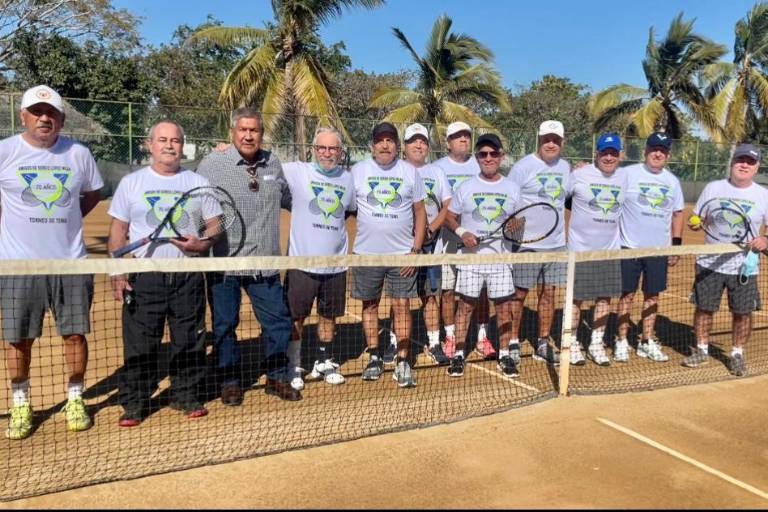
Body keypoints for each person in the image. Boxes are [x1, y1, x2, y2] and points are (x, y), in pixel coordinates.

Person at [1, 85, 103, 440]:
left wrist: (68, 218)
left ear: (61, 118)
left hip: (71, 264)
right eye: (37, 112)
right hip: (18, 267)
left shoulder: (78, 154)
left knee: (74, 334)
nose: (44, 118)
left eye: (52, 113)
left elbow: (93, 194)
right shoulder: (5, 152)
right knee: (18, 339)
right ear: (23, 116)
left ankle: (75, 398)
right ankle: (20, 402)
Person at [108, 120, 215, 426]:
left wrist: (202, 243)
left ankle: (186, 394)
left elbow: (216, 226)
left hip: (187, 276)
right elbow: (118, 230)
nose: (170, 145)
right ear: (150, 144)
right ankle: (135, 402)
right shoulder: (132, 183)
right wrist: (118, 271)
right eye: (163, 140)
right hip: (145, 276)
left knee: (189, 340)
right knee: (141, 342)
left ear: (183, 146)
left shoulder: (198, 182)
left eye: (176, 140)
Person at [197, 107, 299, 404]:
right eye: (243, 129)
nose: (248, 135)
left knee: (278, 324)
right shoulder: (213, 163)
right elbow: (192, 202)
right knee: (225, 325)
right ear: (232, 132)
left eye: (254, 130)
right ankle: (229, 380)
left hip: (264, 263)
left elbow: (291, 199)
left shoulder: (273, 163)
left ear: (262, 134)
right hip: (224, 264)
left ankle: (277, 377)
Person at [350, 122, 426, 388]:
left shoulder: (409, 172)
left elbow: (420, 212)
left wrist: (415, 251)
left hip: (402, 256)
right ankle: (374, 356)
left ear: (397, 146)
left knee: (402, 306)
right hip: (366, 255)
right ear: (372, 145)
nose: (385, 145)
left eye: (390, 141)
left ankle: (403, 360)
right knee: (370, 306)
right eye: (380, 140)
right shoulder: (357, 171)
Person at [282, 126, 356, 391]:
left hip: (335, 265)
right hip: (301, 264)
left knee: (329, 316)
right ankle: (294, 363)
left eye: (333, 148)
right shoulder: (296, 171)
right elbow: (263, 161)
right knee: (296, 317)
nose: (327, 153)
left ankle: (324, 361)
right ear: (313, 150)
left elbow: (348, 212)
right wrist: (224, 150)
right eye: (322, 148)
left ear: (340, 152)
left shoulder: (349, 179)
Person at [684, 143, 768, 377]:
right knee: (704, 308)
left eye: (750, 162)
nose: (744, 165)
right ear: (732, 163)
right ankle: (701, 349)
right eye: (740, 160)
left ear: (756, 167)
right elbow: (696, 217)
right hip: (709, 262)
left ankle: (737, 353)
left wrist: (765, 240)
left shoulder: (763, 195)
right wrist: (696, 221)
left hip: (744, 266)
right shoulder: (713, 188)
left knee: (742, 312)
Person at [444, 134, 521, 377]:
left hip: (500, 261)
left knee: (503, 308)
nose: (488, 158)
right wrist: (462, 232)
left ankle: (506, 355)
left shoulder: (512, 188)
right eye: (483, 154)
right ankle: (457, 355)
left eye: (493, 154)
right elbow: (449, 217)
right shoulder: (466, 187)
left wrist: (515, 226)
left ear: (501, 156)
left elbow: (520, 218)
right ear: (477, 158)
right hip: (471, 261)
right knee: (465, 308)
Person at [615, 132, 684, 363]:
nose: (657, 153)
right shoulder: (627, 174)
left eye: (662, 150)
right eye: (654, 148)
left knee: (652, 297)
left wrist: (675, 245)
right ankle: (621, 341)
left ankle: (646, 341)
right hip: (629, 248)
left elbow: (677, 214)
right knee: (627, 296)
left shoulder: (672, 181)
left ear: (667, 154)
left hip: (658, 251)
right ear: (646, 150)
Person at [508, 120, 570, 366]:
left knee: (549, 294)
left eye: (555, 140)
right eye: (547, 139)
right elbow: (509, 201)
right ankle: (512, 341)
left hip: (556, 244)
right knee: (519, 295)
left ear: (562, 143)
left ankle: (542, 342)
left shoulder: (566, 167)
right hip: (527, 244)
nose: (551, 144)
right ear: (539, 140)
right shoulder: (522, 167)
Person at [565, 133, 628, 366]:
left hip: (610, 250)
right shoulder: (579, 175)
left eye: (613, 153)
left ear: (619, 155)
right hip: (579, 250)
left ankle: (596, 343)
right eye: (605, 152)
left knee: (604, 298)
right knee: (576, 299)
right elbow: (561, 198)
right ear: (596, 154)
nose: (609, 157)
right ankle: (570, 342)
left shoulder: (625, 177)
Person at [433, 121, 494, 359]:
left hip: (478, 248)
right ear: (448, 142)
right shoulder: (438, 168)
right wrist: (457, 230)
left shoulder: (481, 164)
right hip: (447, 242)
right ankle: (450, 336)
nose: (463, 140)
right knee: (447, 292)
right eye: (457, 136)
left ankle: (481, 337)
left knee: (480, 293)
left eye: (467, 136)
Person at [404, 123, 451, 365]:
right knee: (400, 298)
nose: (419, 145)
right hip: (404, 246)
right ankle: (396, 343)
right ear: (405, 146)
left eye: (423, 141)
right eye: (414, 141)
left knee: (431, 296)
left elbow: (446, 206)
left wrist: (431, 229)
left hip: (433, 245)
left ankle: (434, 342)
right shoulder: (398, 171)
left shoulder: (437, 172)